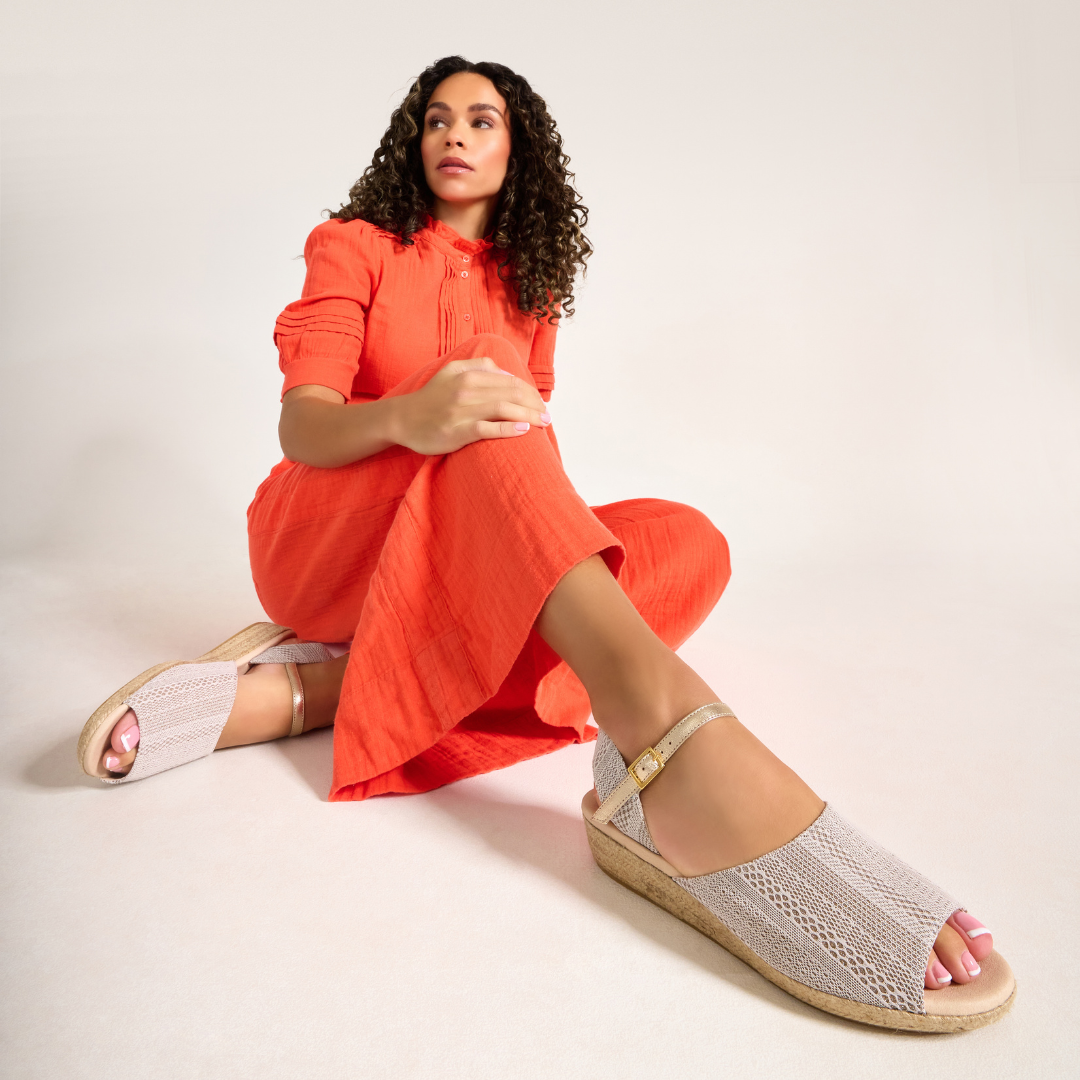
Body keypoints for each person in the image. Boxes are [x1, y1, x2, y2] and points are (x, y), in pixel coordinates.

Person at [77, 56, 1013, 1031]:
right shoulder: (352, 244)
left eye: (482, 121)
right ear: (413, 139)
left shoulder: (530, 287)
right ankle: (659, 732)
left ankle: (318, 690)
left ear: (518, 153)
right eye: (437, 119)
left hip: (458, 526)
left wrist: (525, 520)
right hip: (324, 534)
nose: (456, 136)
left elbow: (529, 466)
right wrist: (412, 415)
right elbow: (304, 427)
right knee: (495, 445)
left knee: (689, 543)